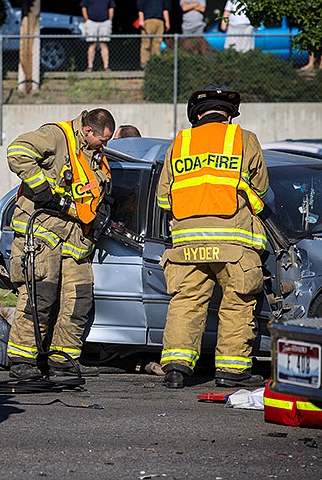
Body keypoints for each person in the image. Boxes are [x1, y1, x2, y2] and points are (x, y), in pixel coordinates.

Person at [156, 84, 268, 389]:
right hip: (234, 244)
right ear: (229, 115)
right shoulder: (244, 139)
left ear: (197, 115)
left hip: (186, 246)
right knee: (237, 303)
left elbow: (164, 198)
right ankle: (231, 371)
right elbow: (260, 189)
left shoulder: (179, 143)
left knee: (186, 303)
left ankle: (177, 368)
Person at [5, 108, 116, 380]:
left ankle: (62, 359)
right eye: (103, 139)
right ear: (88, 131)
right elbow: (17, 152)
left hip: (76, 240)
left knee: (78, 300)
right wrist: (41, 188)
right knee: (39, 296)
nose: (106, 145)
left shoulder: (96, 157)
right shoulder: (57, 136)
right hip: (43, 232)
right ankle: (22, 358)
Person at [80, 0, 115, 72]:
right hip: (91, 22)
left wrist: (110, 19)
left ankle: (106, 66)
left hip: (105, 22)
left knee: (104, 44)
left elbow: (111, 7)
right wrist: (86, 19)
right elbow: (84, 7)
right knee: (92, 44)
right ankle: (90, 66)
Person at [137, 0, 170, 68]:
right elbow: (140, 9)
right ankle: (145, 64)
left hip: (160, 21)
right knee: (146, 44)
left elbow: (165, 9)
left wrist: (167, 22)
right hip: (148, 20)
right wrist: (141, 20)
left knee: (157, 43)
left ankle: (156, 63)